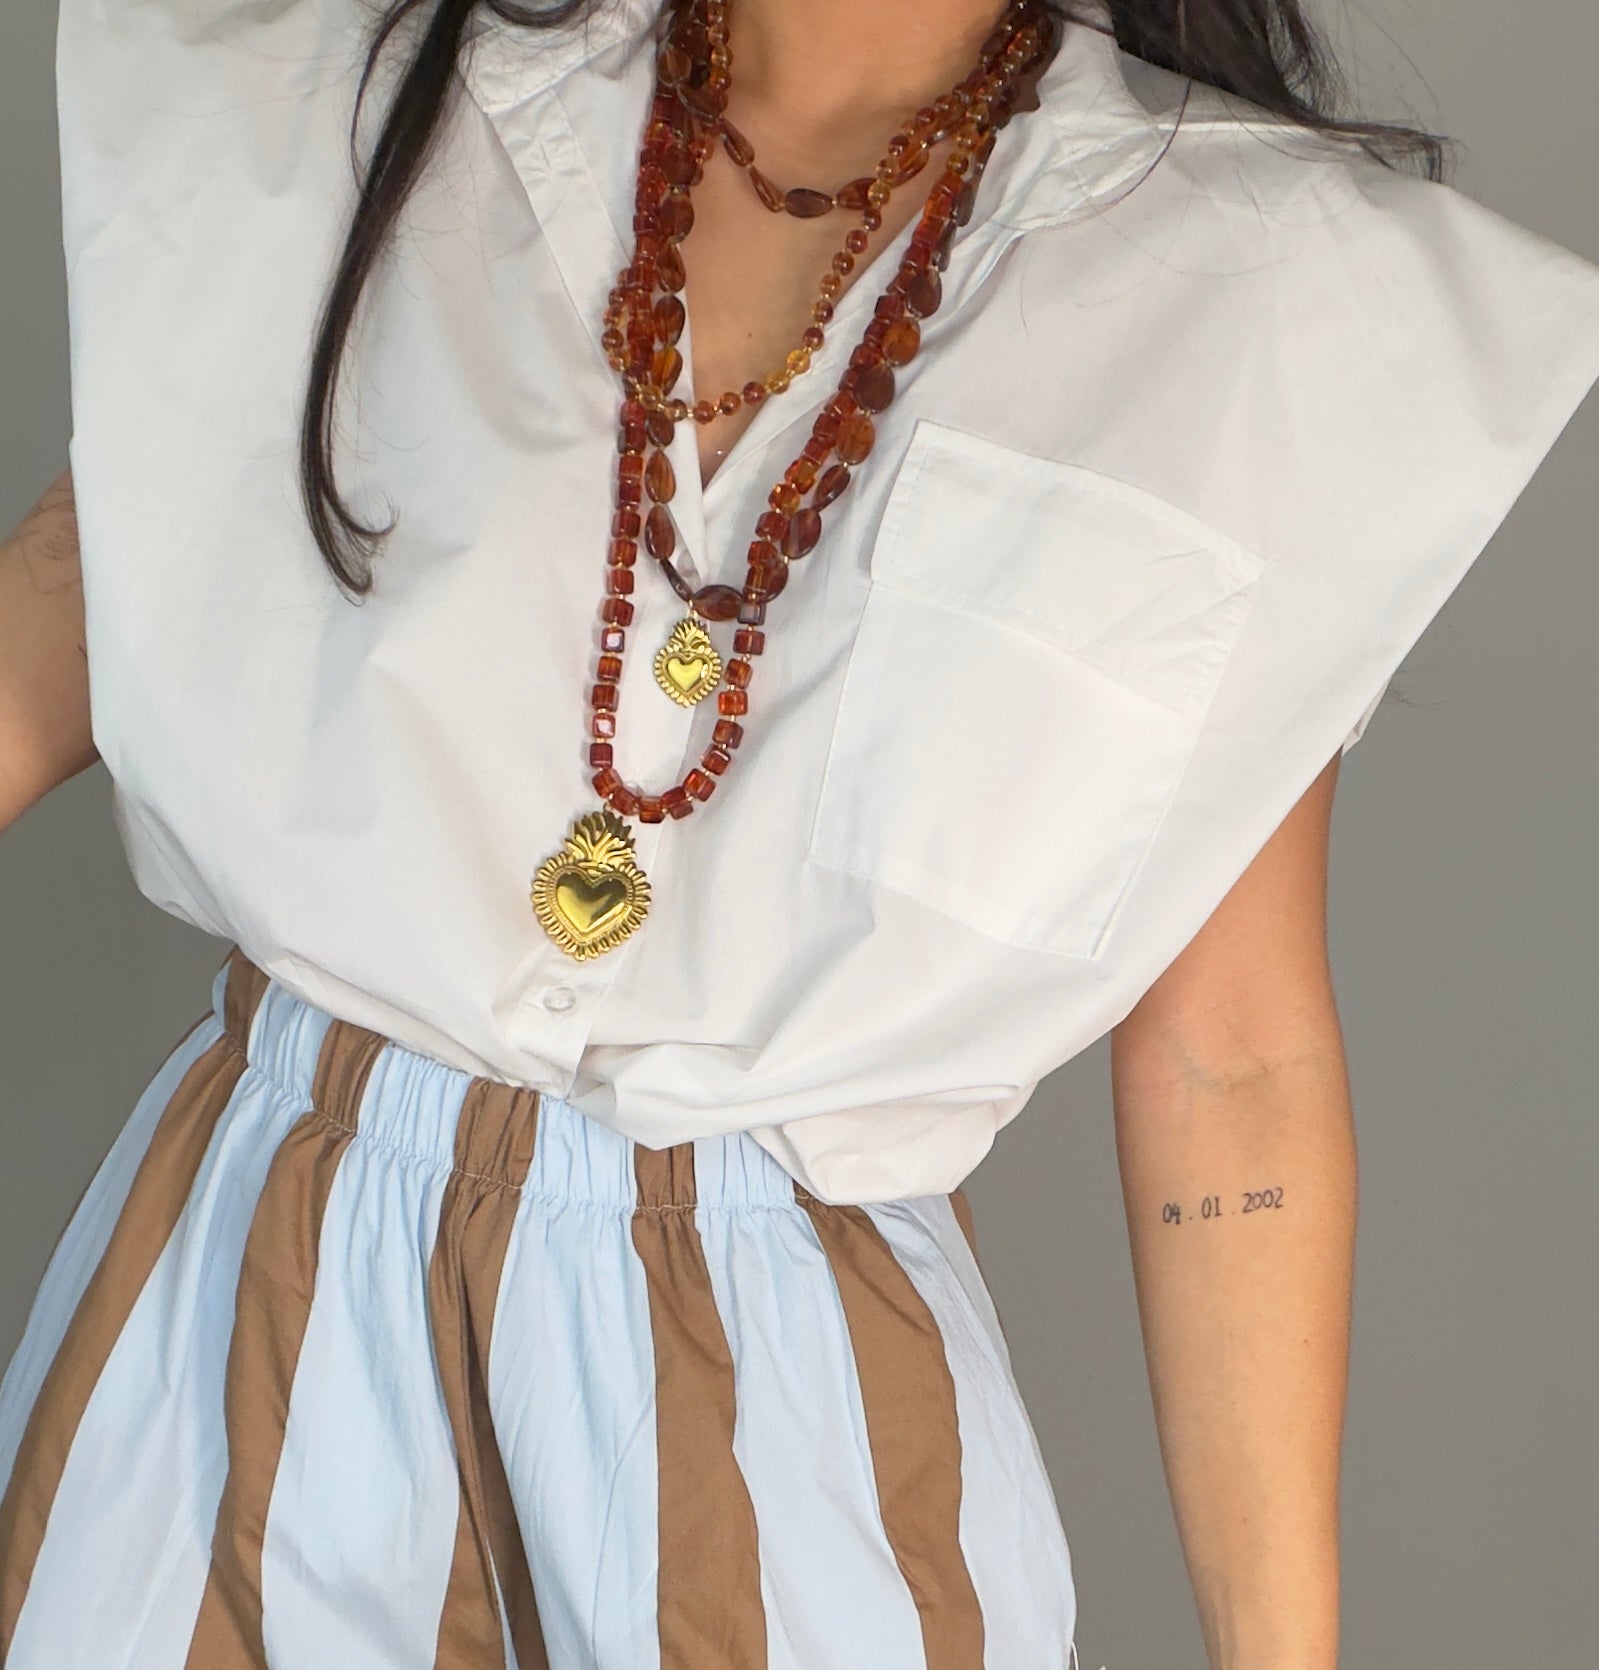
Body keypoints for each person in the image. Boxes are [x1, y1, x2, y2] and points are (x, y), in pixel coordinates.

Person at [1, 0, 1596, 1664]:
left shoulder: (1253, 297)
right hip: (237, 1323)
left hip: (787, 1406)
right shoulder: (376, 87)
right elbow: (80, 594)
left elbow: (1229, 1065)